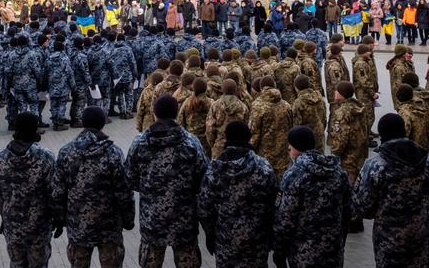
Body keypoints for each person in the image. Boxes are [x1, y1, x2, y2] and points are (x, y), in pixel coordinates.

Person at [125, 95, 208, 268]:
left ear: (154, 114)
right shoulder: (191, 143)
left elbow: (130, 179)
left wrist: (151, 188)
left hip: (152, 220)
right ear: (177, 114)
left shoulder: (140, 143)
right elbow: (204, 180)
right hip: (184, 220)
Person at [353, 113, 429, 268]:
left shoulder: (375, 166)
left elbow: (363, 207)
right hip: (422, 241)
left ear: (381, 135)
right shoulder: (428, 161)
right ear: (404, 130)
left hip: (389, 246)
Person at [52, 106, 134, 268]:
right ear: (103, 124)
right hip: (109, 227)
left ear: (83, 123)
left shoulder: (66, 152)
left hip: (78, 226)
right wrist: (128, 218)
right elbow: (123, 191)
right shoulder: (113, 153)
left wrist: (59, 219)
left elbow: (58, 191)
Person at [198, 121, 278, 268]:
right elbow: (273, 205)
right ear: (248, 139)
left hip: (225, 240)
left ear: (226, 139)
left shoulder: (214, 170)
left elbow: (204, 208)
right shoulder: (263, 167)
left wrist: (211, 235)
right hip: (256, 241)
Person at [273, 125, 351, 268]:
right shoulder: (339, 172)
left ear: (297, 146)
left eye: (291, 144)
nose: (289, 148)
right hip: (333, 249)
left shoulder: (293, 175)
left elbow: (286, 219)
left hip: (303, 253)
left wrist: (279, 251)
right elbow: (347, 212)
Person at [0, 112, 56, 267]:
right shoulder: (45, 157)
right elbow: (54, 192)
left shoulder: (0, 158)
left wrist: (5, 213)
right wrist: (55, 217)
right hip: (39, 227)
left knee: (17, 263)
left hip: (12, 225)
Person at [328, 81, 368, 233]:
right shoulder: (359, 107)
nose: (334, 93)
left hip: (347, 156)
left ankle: (351, 220)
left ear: (341, 94)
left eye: (336, 91)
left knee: (348, 187)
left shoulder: (342, 112)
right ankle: (357, 218)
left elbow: (341, 136)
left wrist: (335, 152)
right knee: (357, 186)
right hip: (359, 152)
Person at [248, 77, 293, 178]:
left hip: (264, 156)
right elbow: (291, 127)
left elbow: (254, 133)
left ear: (261, 88)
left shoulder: (257, 106)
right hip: (283, 154)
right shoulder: (286, 105)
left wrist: (250, 150)